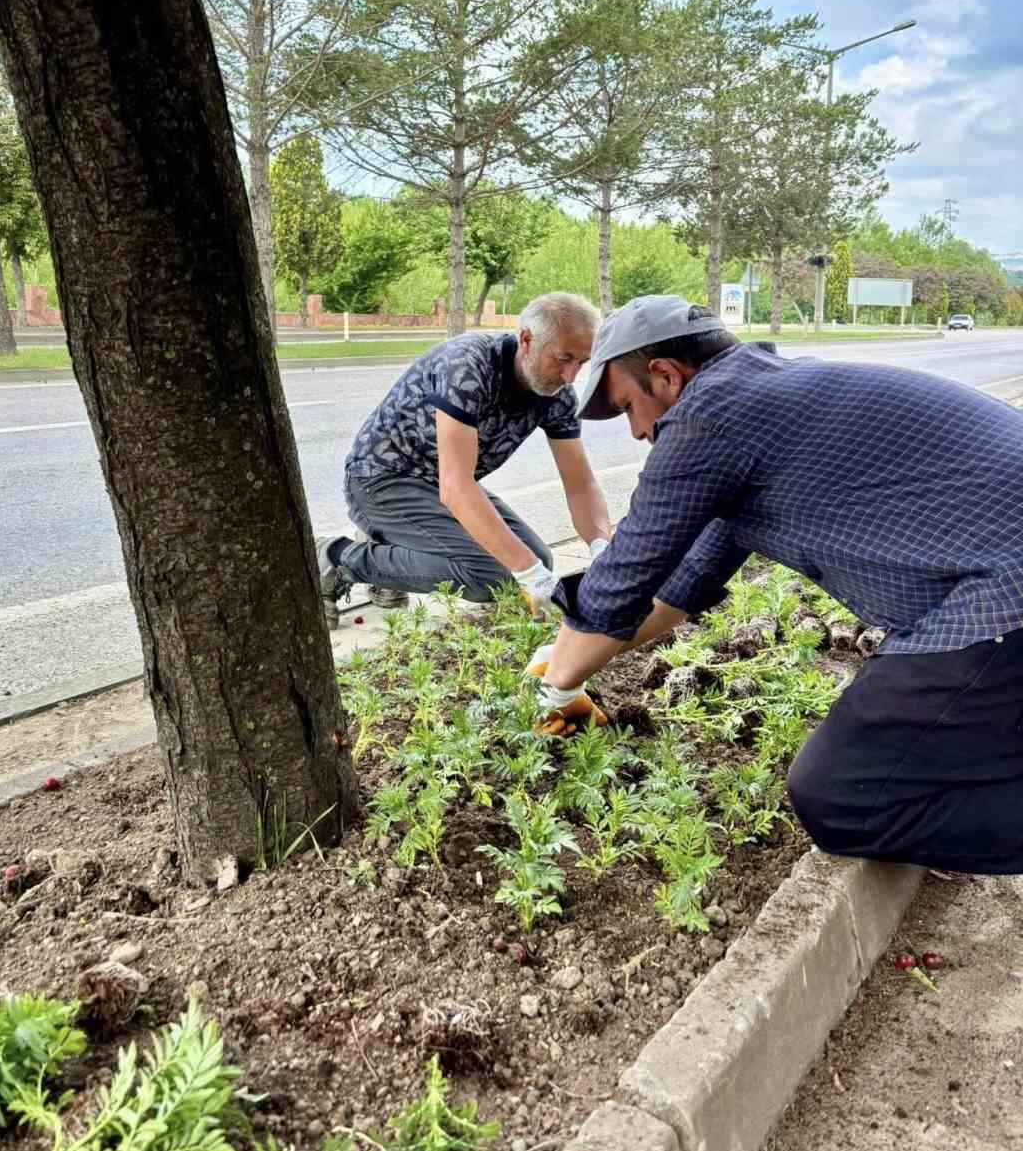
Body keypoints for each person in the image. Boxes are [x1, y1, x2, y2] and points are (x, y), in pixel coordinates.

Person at [530, 293, 1023, 877]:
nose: (636, 432)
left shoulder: (710, 414)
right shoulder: (764, 408)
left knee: (845, 796)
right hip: (997, 583)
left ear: (665, 376)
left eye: (628, 407)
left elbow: (623, 574)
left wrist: (557, 688)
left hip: (1001, 597)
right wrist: (563, 659)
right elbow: (673, 590)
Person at [315, 292, 612, 627]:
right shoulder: (469, 365)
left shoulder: (557, 396)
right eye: (563, 359)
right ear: (527, 339)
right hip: (380, 480)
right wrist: (526, 571)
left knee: (539, 559)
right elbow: (456, 488)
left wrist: (601, 547)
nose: (571, 376)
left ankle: (387, 552)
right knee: (496, 575)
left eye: (581, 363)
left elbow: (581, 484)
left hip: (438, 484)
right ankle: (336, 558)